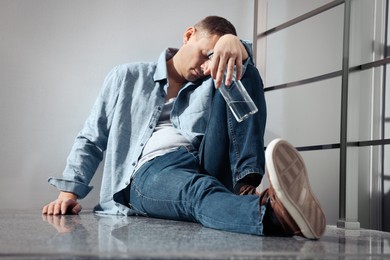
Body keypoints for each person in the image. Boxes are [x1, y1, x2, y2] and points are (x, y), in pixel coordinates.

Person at [42, 16, 326, 239]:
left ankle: (246, 189)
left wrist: (232, 43)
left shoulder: (211, 84)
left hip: (203, 160)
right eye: (206, 55)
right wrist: (69, 193)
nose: (206, 67)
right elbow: (92, 138)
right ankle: (275, 215)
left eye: (212, 59)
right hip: (151, 172)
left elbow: (236, 73)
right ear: (189, 35)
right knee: (198, 190)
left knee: (242, 69)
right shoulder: (128, 76)